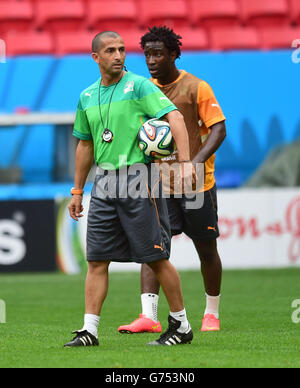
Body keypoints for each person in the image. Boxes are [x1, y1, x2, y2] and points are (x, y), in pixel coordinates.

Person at [64, 31, 196, 347]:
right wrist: (77, 191)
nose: (119, 55)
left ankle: (181, 325)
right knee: (96, 259)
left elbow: (175, 118)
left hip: (139, 177)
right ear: (95, 57)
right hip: (105, 182)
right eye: (110, 50)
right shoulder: (86, 96)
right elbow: (85, 145)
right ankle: (90, 331)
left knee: (155, 257)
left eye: (122, 49)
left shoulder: (139, 86)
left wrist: (186, 162)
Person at [118, 26, 226, 334]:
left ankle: (211, 313)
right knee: (152, 249)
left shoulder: (196, 87)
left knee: (206, 248)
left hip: (195, 185)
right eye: (147, 54)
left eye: (158, 53)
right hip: (158, 185)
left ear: (174, 54)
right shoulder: (141, 90)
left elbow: (218, 130)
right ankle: (149, 316)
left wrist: (193, 162)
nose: (151, 60)